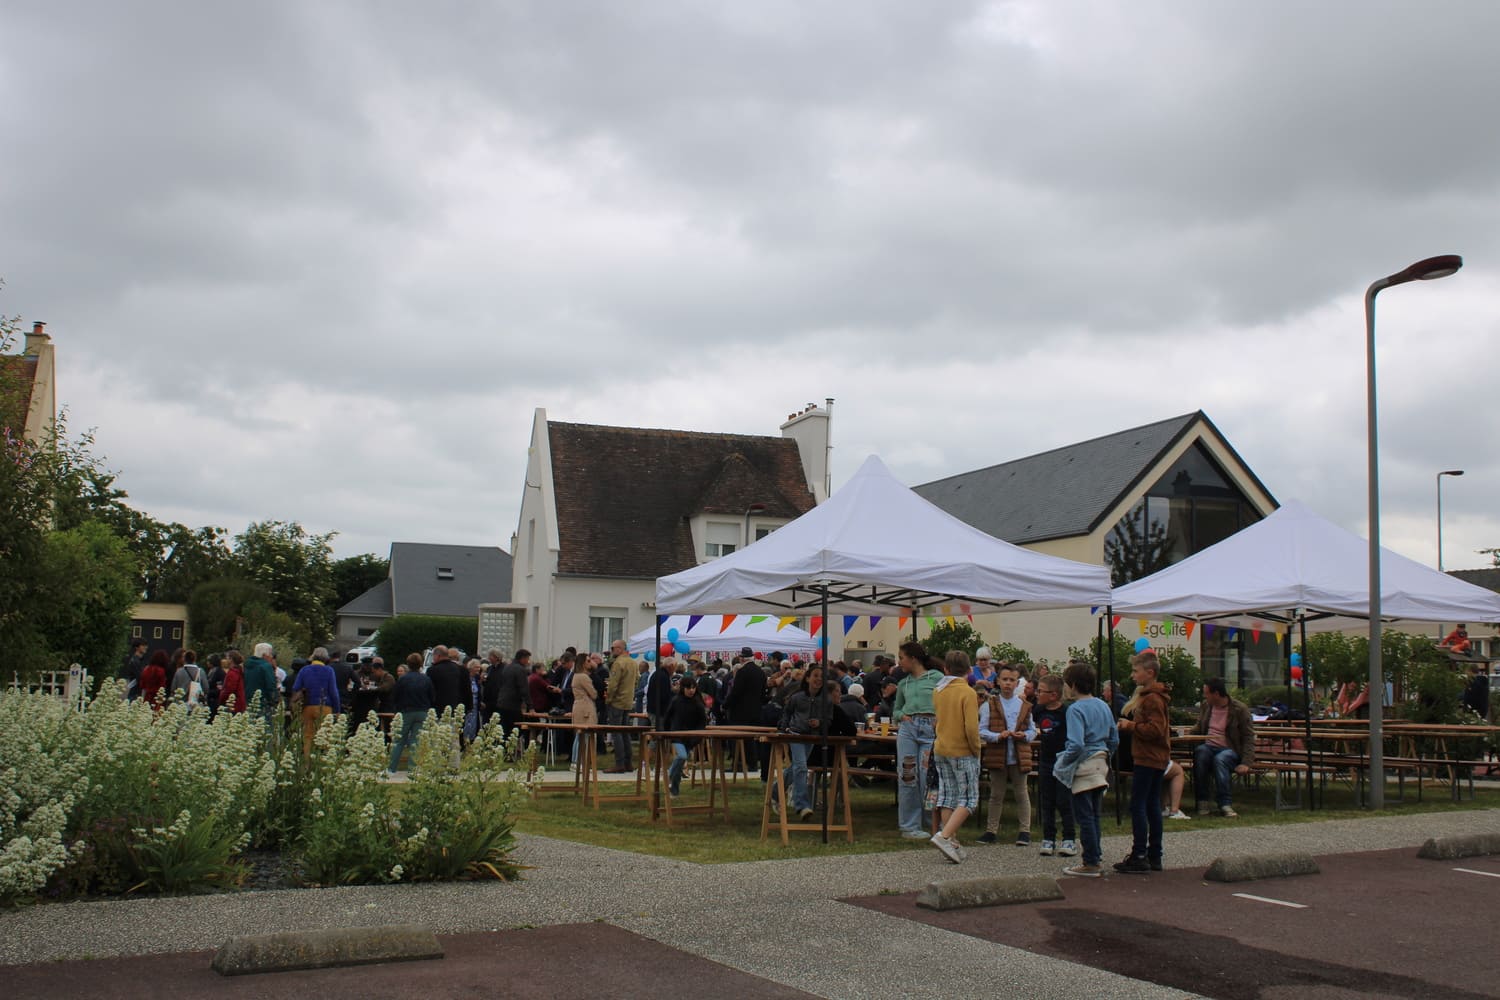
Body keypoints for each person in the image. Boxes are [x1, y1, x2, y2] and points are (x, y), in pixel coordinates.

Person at [1053, 660, 1118, 878]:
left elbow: (1076, 743)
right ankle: (1095, 856)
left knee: (1084, 815)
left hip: (1084, 764)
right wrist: (1107, 755)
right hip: (1101, 762)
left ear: (1072, 685)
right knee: (1094, 814)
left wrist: (1064, 762)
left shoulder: (1075, 709)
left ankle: (1090, 861)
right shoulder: (1103, 705)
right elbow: (1114, 738)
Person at [1114, 650, 1172, 874]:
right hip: (1155, 757)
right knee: (1151, 805)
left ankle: (1140, 853)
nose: (1132, 675)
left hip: (1148, 757)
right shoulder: (1153, 697)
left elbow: (1156, 730)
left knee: (1139, 804)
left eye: (1135, 671)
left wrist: (1131, 727)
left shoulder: (1152, 699)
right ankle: (1154, 853)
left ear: (1149, 673)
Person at [930, 650, 981, 864]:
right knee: (969, 798)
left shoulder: (938, 690)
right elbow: (971, 726)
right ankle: (944, 836)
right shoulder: (968, 692)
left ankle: (952, 841)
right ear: (969, 670)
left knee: (948, 795)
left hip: (941, 747)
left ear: (945, 669)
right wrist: (976, 747)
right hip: (962, 749)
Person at [978, 663, 1035, 845]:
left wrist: (1025, 735)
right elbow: (982, 730)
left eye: (1012, 680)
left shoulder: (1024, 705)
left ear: (1017, 682)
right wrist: (997, 736)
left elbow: (1033, 730)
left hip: (1019, 755)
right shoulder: (990, 704)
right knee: (996, 794)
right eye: (1005, 680)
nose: (1008, 684)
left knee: (1021, 793)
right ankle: (991, 830)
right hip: (998, 754)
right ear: (998, 681)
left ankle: (1025, 830)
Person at [773, 663, 835, 821]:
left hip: (812, 737)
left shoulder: (826, 700)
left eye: (822, 677)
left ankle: (775, 790)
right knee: (801, 767)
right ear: (807, 678)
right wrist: (784, 729)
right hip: (796, 734)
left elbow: (828, 720)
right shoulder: (797, 697)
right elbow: (786, 714)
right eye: (815, 676)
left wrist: (819, 723)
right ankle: (801, 805)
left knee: (796, 768)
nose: (818, 680)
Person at [892, 641, 941, 839]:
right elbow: (895, 709)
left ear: (913, 658)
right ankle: (909, 826)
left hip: (930, 729)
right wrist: (902, 715)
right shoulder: (903, 683)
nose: (899, 662)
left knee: (928, 776)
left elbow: (945, 701)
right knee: (907, 775)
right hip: (908, 730)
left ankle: (934, 823)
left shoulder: (937, 678)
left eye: (901, 657)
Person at [1190, 677, 1255, 818]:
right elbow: (1199, 726)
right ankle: (1202, 801)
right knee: (1201, 752)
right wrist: (1185, 734)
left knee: (1221, 759)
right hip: (1208, 746)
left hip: (1229, 749)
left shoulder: (1239, 709)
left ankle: (1224, 803)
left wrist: (1246, 762)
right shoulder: (1206, 707)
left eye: (1207, 693)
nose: (1204, 696)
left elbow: (1248, 736)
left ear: (1217, 694)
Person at [1032, 672, 1077, 857]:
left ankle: (1069, 838)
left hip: (1063, 761)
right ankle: (1048, 838)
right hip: (1046, 760)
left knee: (1064, 800)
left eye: (1041, 691)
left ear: (1053, 695)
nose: (1037, 694)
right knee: (1047, 800)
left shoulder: (1067, 712)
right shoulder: (1039, 711)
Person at [663, 673, 709, 798]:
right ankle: (670, 775)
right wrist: (665, 733)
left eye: (693, 687)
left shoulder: (698, 703)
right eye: (688, 688)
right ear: (683, 688)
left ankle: (674, 789)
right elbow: (668, 717)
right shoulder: (676, 701)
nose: (691, 690)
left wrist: (697, 737)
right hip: (677, 735)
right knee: (682, 756)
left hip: (691, 738)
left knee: (682, 759)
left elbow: (702, 722)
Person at [388, 653, 435, 773]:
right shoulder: (426, 679)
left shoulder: (403, 679)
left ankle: (392, 768)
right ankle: (412, 768)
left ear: (408, 664)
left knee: (399, 740)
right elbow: (432, 696)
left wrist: (396, 709)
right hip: (422, 711)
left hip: (406, 711)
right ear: (420, 664)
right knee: (416, 740)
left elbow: (395, 696)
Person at [291, 647, 342, 756]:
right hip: (325, 707)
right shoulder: (329, 671)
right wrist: (337, 710)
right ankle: (321, 761)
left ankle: (306, 763)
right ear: (326, 658)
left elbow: (296, 687)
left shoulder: (304, 670)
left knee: (308, 736)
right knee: (325, 736)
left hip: (308, 706)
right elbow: (333, 692)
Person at [604, 640, 640, 773]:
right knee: (625, 732)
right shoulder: (633, 663)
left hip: (617, 701)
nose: (612, 650)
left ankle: (619, 763)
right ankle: (628, 762)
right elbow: (637, 680)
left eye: (613, 648)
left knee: (616, 732)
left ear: (619, 649)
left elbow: (613, 685)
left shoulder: (618, 663)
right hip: (628, 701)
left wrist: (609, 699)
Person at [495, 649, 534, 745]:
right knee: (516, 729)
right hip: (512, 704)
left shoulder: (507, 667)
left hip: (502, 702)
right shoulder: (520, 669)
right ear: (522, 658)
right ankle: (511, 749)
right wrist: (531, 706)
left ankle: (503, 748)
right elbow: (524, 689)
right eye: (527, 659)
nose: (528, 661)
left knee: (504, 728)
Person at [571, 654, 600, 765]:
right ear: (583, 663)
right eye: (588, 661)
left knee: (579, 735)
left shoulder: (576, 676)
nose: (590, 663)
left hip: (579, 705)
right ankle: (580, 761)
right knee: (584, 735)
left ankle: (576, 760)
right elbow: (593, 694)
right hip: (585, 707)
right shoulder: (583, 677)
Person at [426, 645, 466, 721]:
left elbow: (430, 690)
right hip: (455, 708)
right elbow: (464, 689)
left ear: (438, 656)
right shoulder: (458, 669)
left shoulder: (432, 670)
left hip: (437, 709)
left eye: (433, 656)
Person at [243, 643, 280, 724]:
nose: (271, 657)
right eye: (270, 654)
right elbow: (271, 686)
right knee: (265, 731)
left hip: (248, 702)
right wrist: (276, 701)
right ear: (264, 655)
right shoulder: (266, 666)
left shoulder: (246, 666)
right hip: (264, 704)